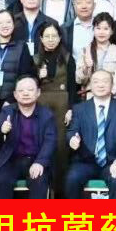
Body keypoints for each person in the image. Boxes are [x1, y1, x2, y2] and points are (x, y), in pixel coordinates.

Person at [0, 8, 35, 184]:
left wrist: (10, 100)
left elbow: (26, 76)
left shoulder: (21, 47)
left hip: (13, 102)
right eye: (0, 22)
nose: (4, 25)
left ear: (13, 25)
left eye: (8, 22)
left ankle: (9, 181)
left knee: (12, 140)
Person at [64, 70, 116, 199]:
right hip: (85, 162)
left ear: (112, 85)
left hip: (113, 162)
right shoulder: (80, 109)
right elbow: (72, 131)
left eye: (105, 81)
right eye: (96, 82)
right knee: (72, 178)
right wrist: (72, 139)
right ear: (91, 85)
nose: (100, 85)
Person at [0, 76, 58, 198]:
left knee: (39, 180)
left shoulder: (47, 114)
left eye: (30, 90)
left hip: (36, 159)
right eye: (21, 90)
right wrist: (2, 129)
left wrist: (40, 162)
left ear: (38, 93)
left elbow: (50, 141)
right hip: (11, 160)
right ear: (15, 95)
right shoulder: (7, 111)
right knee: (2, 180)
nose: (25, 93)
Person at [34, 23, 75, 191]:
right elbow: (27, 85)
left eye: (54, 36)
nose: (50, 40)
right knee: (41, 143)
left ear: (60, 38)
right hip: (40, 104)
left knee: (60, 147)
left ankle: (60, 192)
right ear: (41, 38)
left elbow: (72, 86)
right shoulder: (35, 59)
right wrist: (38, 76)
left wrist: (71, 108)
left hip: (62, 106)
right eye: (47, 36)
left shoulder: (67, 58)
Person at [74, 13, 116, 103]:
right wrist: (86, 67)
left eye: (106, 29)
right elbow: (79, 80)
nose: (101, 32)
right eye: (98, 28)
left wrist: (108, 95)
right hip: (92, 98)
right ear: (93, 30)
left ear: (112, 31)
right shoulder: (86, 51)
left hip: (115, 98)